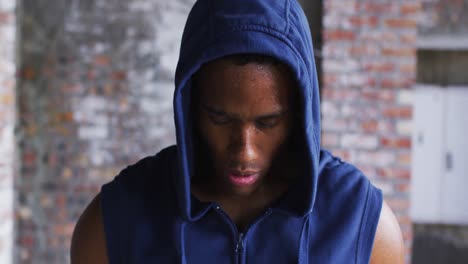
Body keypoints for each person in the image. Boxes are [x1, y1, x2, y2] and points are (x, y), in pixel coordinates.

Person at [71, 0, 404, 263]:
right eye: (221, 118)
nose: (244, 151)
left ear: (300, 113)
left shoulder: (365, 227)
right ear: (190, 106)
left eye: (267, 122)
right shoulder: (112, 223)